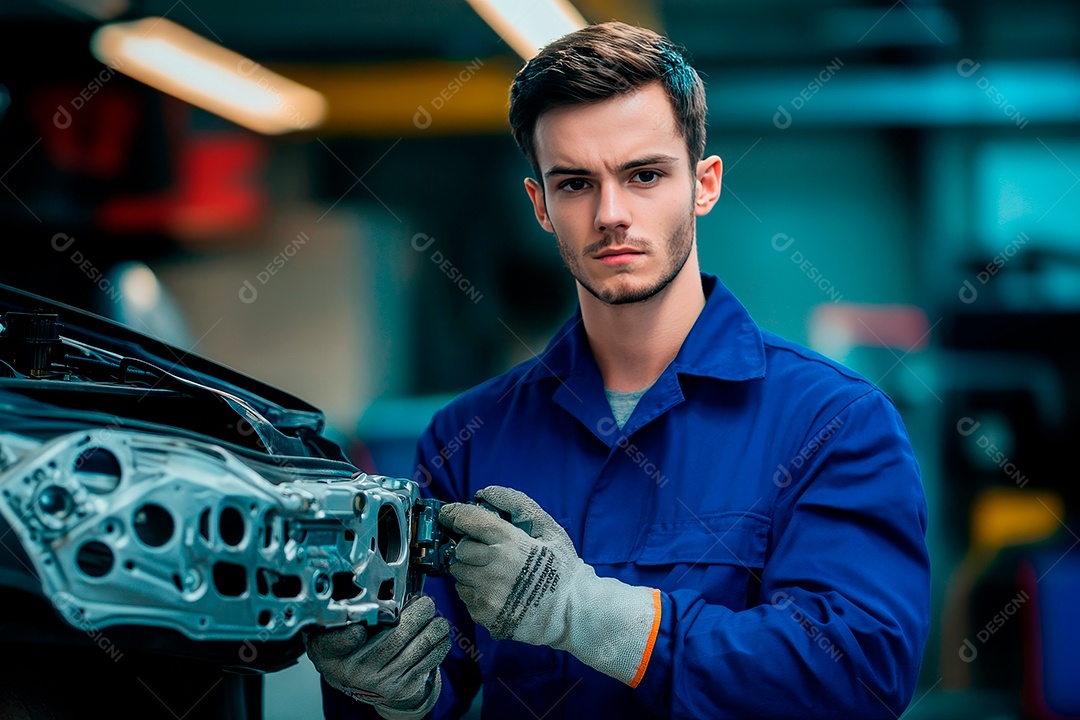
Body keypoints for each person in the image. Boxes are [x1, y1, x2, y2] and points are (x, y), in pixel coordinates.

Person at [309, 20, 931, 719]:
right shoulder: (470, 434)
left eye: (643, 175)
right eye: (575, 183)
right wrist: (389, 691)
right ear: (540, 204)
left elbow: (859, 674)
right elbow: (437, 676)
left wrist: (589, 614)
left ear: (704, 184)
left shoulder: (833, 422)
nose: (610, 214)